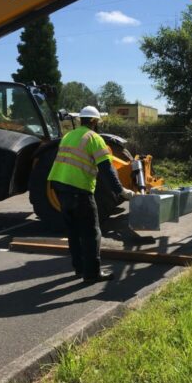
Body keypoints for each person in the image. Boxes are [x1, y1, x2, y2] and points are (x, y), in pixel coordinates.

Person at [48, 105, 135, 283]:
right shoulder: (94, 138)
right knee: (92, 233)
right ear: (94, 122)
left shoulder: (68, 136)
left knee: (73, 231)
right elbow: (107, 169)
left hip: (59, 187)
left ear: (81, 119)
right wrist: (121, 191)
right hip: (79, 190)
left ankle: (79, 269)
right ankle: (92, 274)